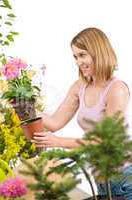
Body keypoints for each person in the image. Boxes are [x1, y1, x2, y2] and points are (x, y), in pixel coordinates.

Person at [32, 27, 132, 199]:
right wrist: (24, 106)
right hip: (101, 181)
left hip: (125, 179)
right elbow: (55, 122)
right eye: (75, 57)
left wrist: (58, 142)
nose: (78, 62)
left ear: (98, 53)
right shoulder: (80, 87)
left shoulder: (116, 89)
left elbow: (103, 141)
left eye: (83, 55)